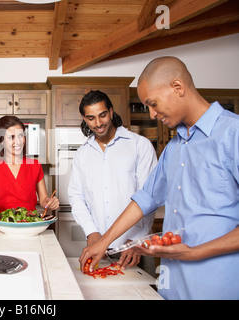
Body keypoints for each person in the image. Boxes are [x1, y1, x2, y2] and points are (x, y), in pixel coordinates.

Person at [81, 56, 239, 300]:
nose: (152, 114)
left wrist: (195, 252)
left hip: (217, 286)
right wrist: (104, 242)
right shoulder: (174, 147)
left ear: (177, 87)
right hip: (171, 286)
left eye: (153, 104)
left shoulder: (233, 133)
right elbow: (146, 198)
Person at [69, 90, 157, 269]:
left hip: (134, 249)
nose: (98, 123)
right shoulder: (82, 154)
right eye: (91, 118)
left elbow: (149, 196)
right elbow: (76, 196)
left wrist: (136, 240)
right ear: (84, 119)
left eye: (102, 115)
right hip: (98, 247)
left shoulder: (140, 146)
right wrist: (91, 233)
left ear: (111, 112)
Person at [0, 115, 59, 227]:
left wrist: (50, 203)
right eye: (11, 137)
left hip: (29, 226)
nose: (18, 142)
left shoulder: (35, 165)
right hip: (0, 228)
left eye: (21, 136)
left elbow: (44, 200)